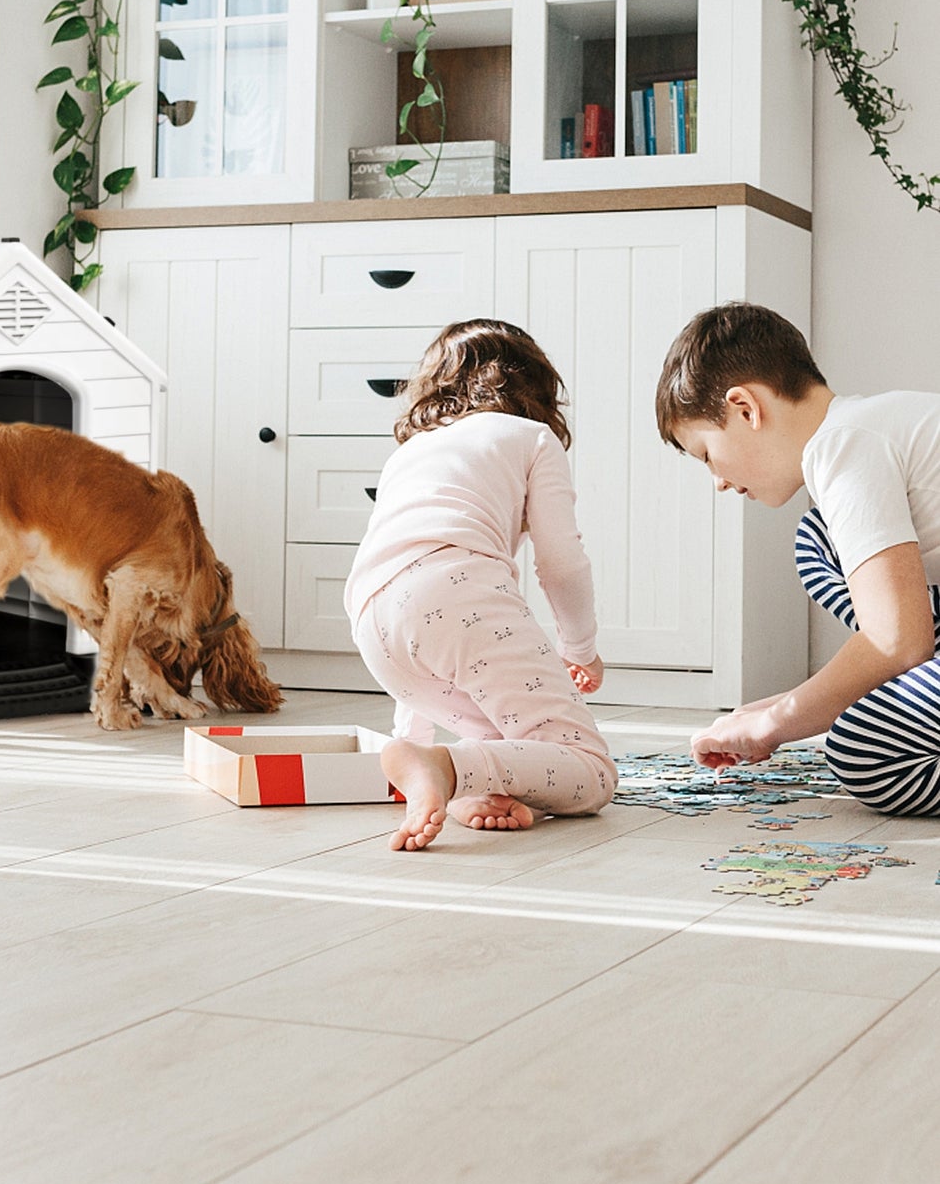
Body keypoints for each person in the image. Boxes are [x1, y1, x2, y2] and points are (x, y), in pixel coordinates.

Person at [655, 301, 940, 814]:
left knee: (864, 748)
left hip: (907, 638)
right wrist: (765, 710)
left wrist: (774, 723)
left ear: (745, 408)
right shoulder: (866, 428)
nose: (718, 482)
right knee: (819, 539)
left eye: (706, 455)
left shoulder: (844, 445)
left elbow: (898, 640)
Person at [344, 319, 615, 851]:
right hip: (457, 593)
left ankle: (454, 781)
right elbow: (561, 564)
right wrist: (580, 648)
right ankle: (446, 768)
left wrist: (411, 738)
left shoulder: (409, 452)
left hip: (371, 617)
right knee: (591, 771)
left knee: (507, 738)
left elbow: (414, 589)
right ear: (537, 388)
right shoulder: (531, 437)